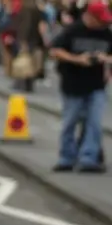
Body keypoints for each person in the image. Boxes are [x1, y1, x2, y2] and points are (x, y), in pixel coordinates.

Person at [50, 0, 112, 173]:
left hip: (97, 85)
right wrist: (78, 59)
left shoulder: (106, 32)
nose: (103, 23)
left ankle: (88, 158)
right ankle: (66, 158)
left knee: (95, 123)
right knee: (70, 122)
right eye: (100, 20)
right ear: (89, 16)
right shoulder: (72, 31)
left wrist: (105, 59)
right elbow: (54, 50)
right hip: (73, 84)